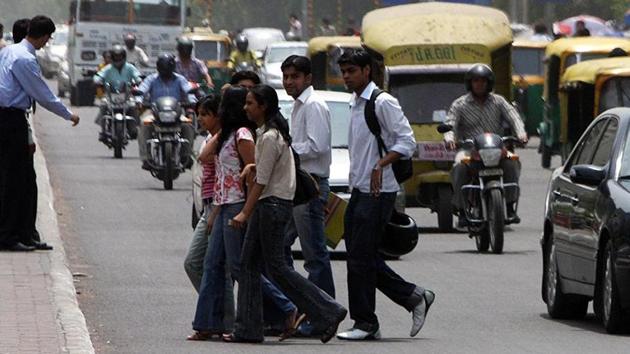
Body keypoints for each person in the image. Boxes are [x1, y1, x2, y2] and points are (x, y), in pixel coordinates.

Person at [227, 85, 347, 344]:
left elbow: (263, 180)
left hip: (270, 206)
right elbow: (267, 168)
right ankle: (248, 328)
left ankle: (328, 311)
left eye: (250, 103)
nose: (246, 108)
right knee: (248, 265)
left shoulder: (270, 136)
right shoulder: (267, 134)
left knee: (277, 268)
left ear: (263, 107)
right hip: (271, 205)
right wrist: (251, 166)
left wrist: (245, 212)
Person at [335, 49, 433, 341]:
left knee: (360, 258)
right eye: (343, 71)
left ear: (367, 71)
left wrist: (382, 162)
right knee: (359, 256)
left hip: (379, 191)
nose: (346, 76)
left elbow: (407, 141)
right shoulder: (356, 103)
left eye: (351, 71)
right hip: (360, 189)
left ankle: (366, 322)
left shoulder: (382, 102)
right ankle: (414, 297)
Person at [189, 87, 299, 341]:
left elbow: (253, 177)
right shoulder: (227, 134)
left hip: (238, 205)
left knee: (239, 266)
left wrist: (247, 212)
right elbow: (206, 158)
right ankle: (206, 323)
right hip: (223, 205)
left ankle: (286, 306)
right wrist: (215, 212)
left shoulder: (243, 135)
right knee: (211, 264)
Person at [0, 15, 80, 252]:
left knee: (24, 180)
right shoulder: (24, 59)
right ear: (44, 37)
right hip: (10, 120)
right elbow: (42, 94)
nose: (47, 43)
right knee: (14, 180)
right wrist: (68, 114)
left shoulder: (10, 52)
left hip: (10, 119)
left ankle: (23, 233)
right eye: (48, 38)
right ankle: (9, 235)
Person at [281, 55, 336, 336]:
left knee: (315, 255)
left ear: (308, 79)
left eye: (295, 77)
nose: (290, 81)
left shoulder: (314, 106)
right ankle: (299, 308)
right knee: (279, 249)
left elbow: (317, 146)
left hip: (311, 187)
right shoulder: (297, 106)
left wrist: (283, 151)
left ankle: (325, 314)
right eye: (286, 77)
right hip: (296, 187)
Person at [443, 64, 527, 227]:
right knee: (459, 166)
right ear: (470, 83)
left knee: (512, 162)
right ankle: (461, 210)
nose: (479, 84)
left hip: (496, 149)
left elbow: (513, 116)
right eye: (476, 81)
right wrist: (450, 138)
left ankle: (509, 206)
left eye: (483, 81)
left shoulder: (499, 101)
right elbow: (450, 123)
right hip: (470, 150)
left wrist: (521, 134)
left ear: (489, 83)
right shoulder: (459, 104)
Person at [136, 54, 196, 170]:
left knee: (188, 125)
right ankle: (146, 158)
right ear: (158, 68)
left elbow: (189, 91)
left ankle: (186, 155)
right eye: (163, 69)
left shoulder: (180, 79)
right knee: (144, 125)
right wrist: (138, 100)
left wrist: (193, 101)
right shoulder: (151, 79)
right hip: (154, 112)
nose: (166, 72)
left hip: (176, 113)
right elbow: (142, 90)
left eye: (168, 69)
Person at [93, 44, 142, 141]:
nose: (118, 58)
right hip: (110, 96)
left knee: (133, 106)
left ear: (123, 56)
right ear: (112, 57)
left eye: (120, 56)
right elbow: (99, 75)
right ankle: (103, 130)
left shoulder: (129, 67)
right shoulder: (108, 68)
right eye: (115, 56)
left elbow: (137, 76)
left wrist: (138, 80)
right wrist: (97, 80)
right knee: (103, 105)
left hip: (126, 96)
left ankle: (133, 128)